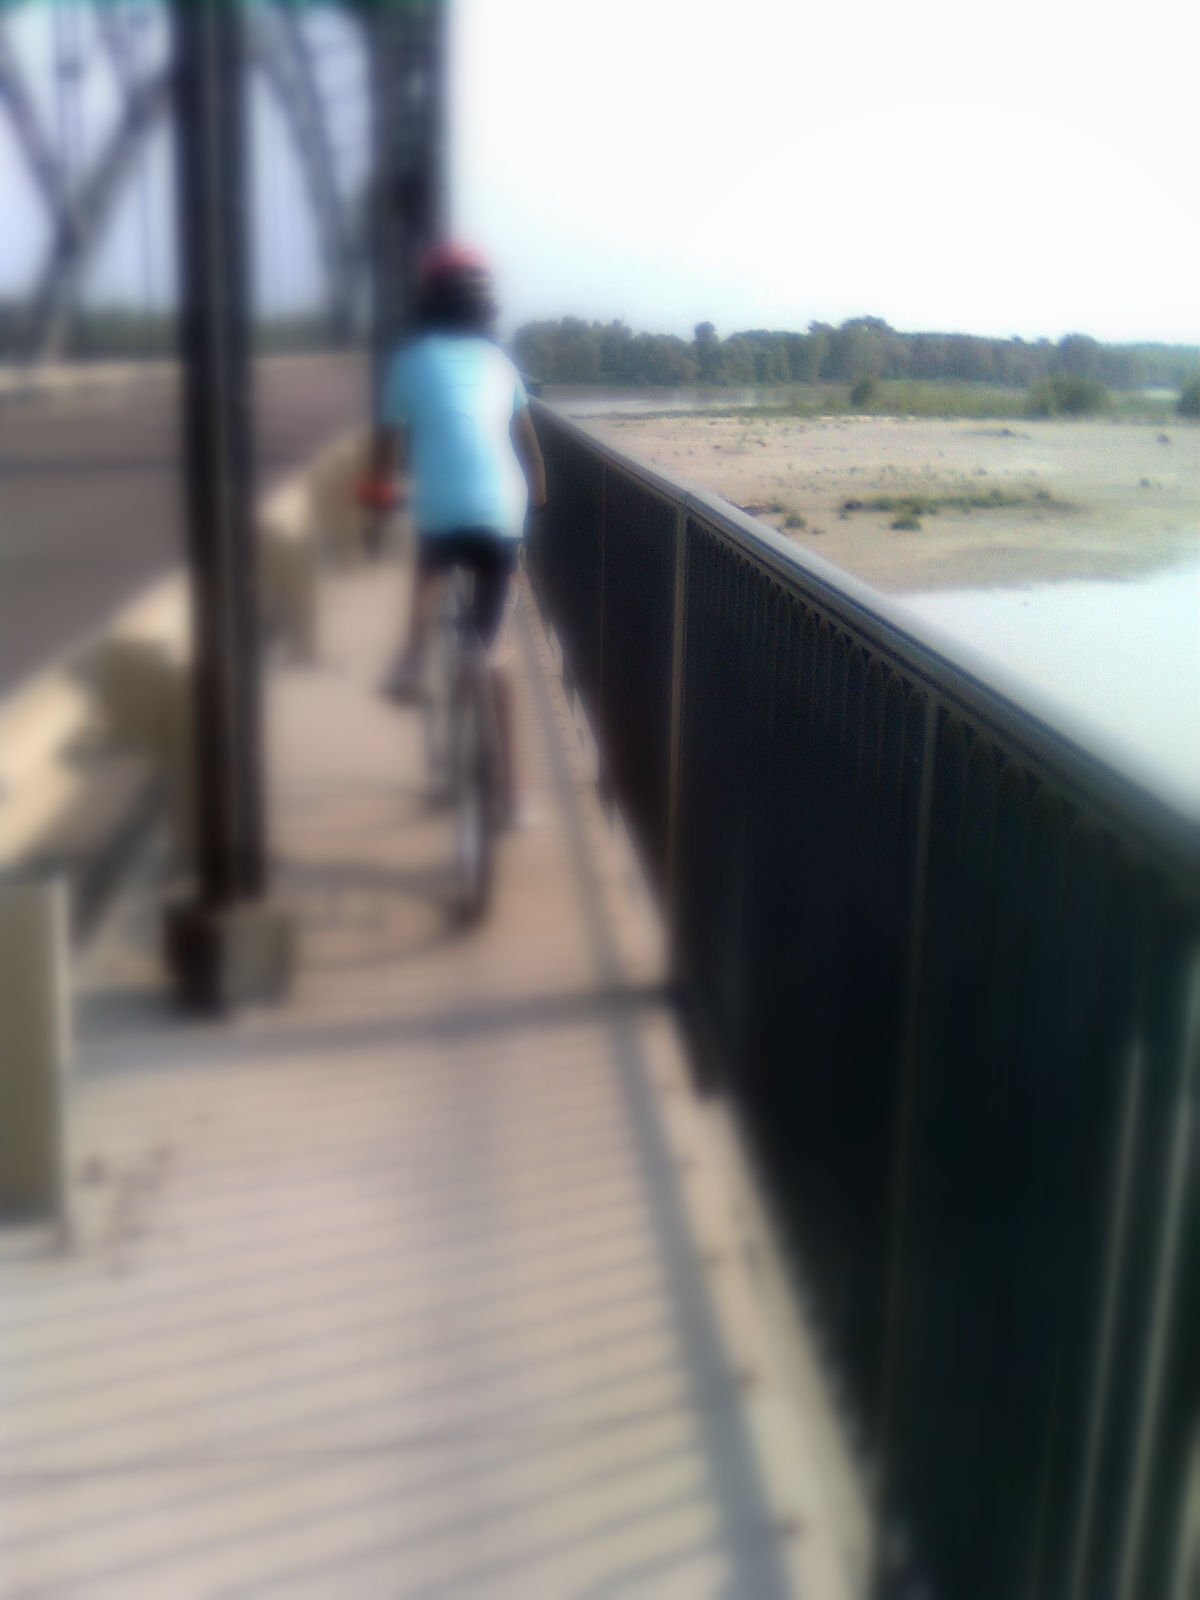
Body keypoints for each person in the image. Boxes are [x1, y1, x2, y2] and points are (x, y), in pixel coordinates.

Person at [367, 244, 547, 822]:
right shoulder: (500, 364)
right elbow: (529, 448)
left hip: (441, 509)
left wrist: (377, 497)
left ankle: (411, 658)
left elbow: (385, 453)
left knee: (429, 562)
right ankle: (515, 794)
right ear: (484, 307)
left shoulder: (408, 362)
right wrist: (540, 497)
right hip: (501, 511)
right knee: (495, 650)